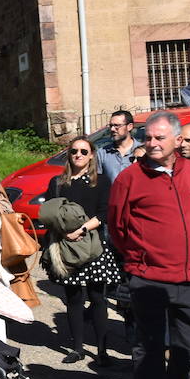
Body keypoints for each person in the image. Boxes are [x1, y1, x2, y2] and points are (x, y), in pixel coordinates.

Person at [107, 111, 190, 379]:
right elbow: (118, 228)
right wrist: (139, 260)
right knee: (149, 350)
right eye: (147, 137)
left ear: (178, 141)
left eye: (159, 137)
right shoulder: (130, 179)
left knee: (187, 350)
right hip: (149, 279)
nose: (151, 143)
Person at [43, 136, 120, 366]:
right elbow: (48, 211)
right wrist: (63, 231)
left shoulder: (102, 181)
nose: (78, 155)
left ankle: (103, 351)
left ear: (92, 155)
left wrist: (82, 229)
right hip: (65, 245)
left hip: (92, 244)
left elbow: (105, 213)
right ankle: (77, 348)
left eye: (84, 151)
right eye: (74, 151)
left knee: (98, 298)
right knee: (73, 298)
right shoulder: (57, 182)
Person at [98, 110, 137, 182]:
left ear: (129, 127)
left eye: (117, 125)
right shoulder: (102, 153)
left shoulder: (142, 151)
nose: (112, 129)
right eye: (111, 126)